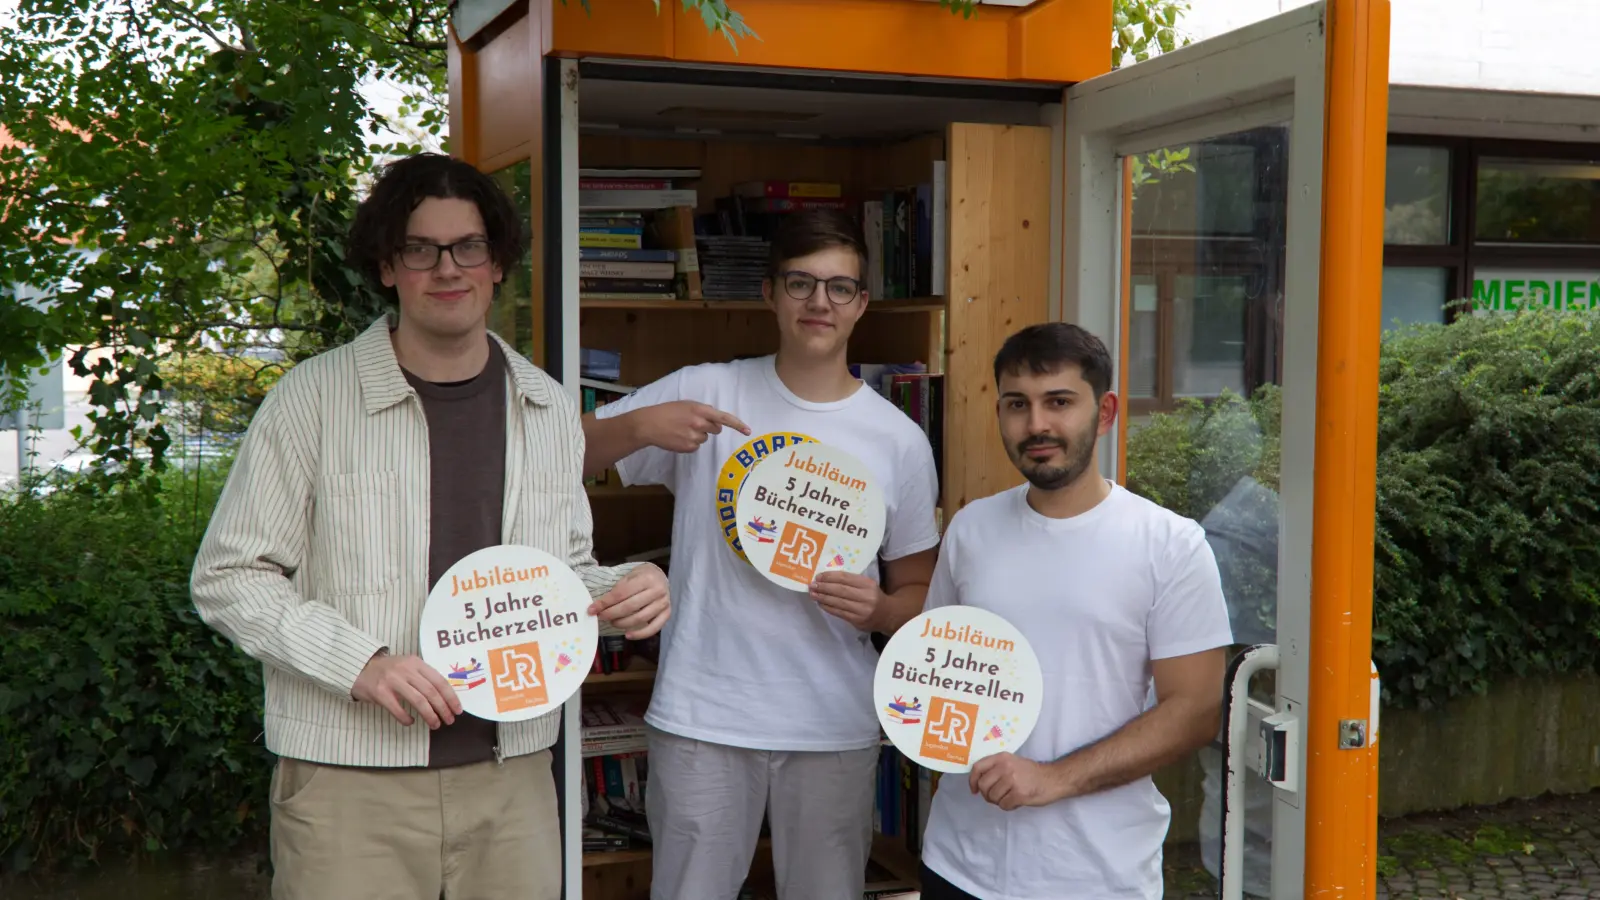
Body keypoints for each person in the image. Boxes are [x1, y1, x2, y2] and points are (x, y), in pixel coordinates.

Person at [190, 152, 671, 900]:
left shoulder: (545, 409)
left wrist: (627, 586)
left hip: (511, 780)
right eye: (421, 249)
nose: (447, 269)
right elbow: (229, 576)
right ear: (388, 266)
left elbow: (560, 573)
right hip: (351, 783)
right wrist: (363, 663)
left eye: (468, 247)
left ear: (498, 263)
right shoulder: (311, 403)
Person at [581, 208, 942, 900]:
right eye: (801, 283)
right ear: (770, 293)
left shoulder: (896, 439)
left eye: (839, 287)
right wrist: (639, 424)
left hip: (833, 722)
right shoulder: (708, 389)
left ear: (862, 303)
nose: (819, 302)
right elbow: (556, 455)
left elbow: (919, 591)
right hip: (703, 715)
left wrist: (883, 607)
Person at [915, 322, 1233, 900]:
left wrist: (1050, 780)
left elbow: (1195, 711)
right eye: (1018, 405)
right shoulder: (971, 530)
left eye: (1058, 402)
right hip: (958, 864)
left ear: (1104, 412)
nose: (1036, 424)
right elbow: (937, 669)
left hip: (1095, 877)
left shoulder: (1169, 544)